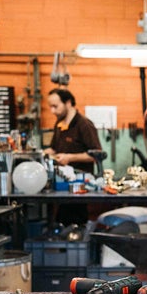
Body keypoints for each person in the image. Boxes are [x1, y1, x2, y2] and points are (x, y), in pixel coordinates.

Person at [43, 88, 102, 224]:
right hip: (61, 184)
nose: (52, 111)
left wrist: (70, 158)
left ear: (68, 103)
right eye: (50, 107)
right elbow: (54, 148)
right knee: (61, 220)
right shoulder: (59, 124)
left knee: (75, 221)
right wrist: (45, 153)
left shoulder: (84, 125)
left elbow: (96, 155)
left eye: (55, 106)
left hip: (79, 185)